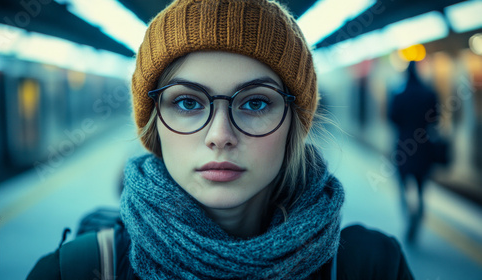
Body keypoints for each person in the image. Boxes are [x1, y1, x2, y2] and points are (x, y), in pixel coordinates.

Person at [28, 0, 414, 279]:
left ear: (293, 124)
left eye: (256, 102)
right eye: (187, 102)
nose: (220, 136)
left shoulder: (373, 267)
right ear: (154, 124)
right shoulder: (73, 271)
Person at [389, 61, 440, 243]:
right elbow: (435, 118)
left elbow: (392, 118)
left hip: (404, 144)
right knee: (421, 188)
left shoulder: (399, 94)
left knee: (402, 185)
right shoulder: (429, 93)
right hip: (423, 145)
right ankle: (418, 215)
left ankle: (409, 215)